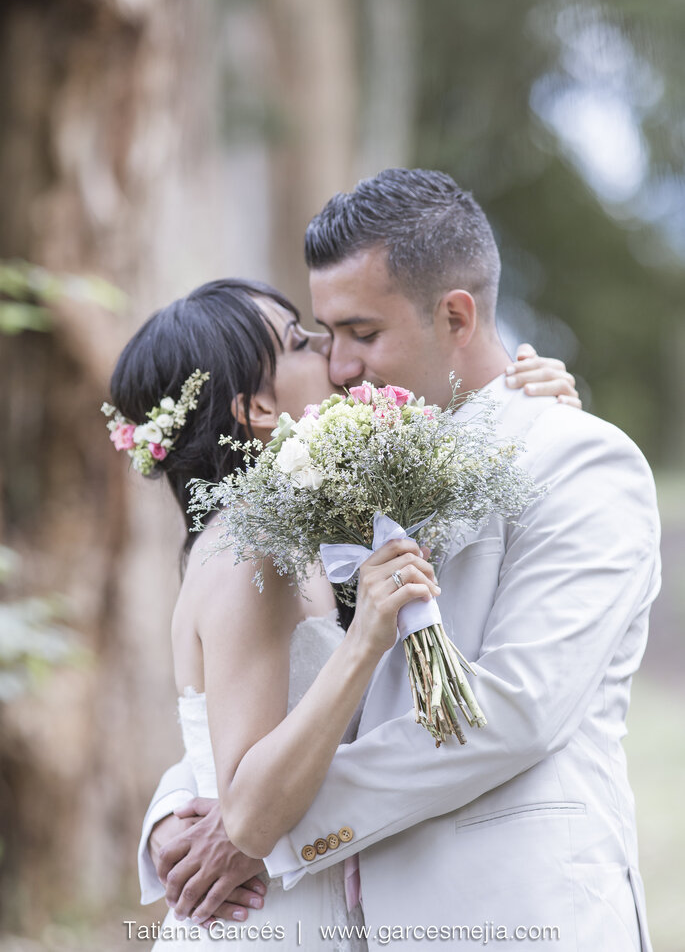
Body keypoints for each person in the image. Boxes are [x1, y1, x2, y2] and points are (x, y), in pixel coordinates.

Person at [141, 171, 660, 951]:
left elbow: (513, 709)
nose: (341, 366)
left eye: (362, 333)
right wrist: (181, 809)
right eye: (323, 335)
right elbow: (297, 690)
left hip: (518, 917)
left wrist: (258, 826)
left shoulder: (576, 459)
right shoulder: (332, 476)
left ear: (454, 314)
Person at [109, 275, 576, 950]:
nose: (331, 354)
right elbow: (244, 805)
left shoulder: (295, 532)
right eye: (300, 342)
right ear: (257, 408)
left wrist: (530, 404)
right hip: (266, 923)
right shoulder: (248, 555)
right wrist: (364, 639)